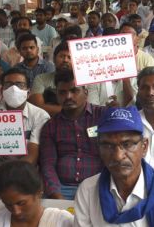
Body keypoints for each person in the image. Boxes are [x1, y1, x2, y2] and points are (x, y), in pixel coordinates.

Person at [39, 70, 105, 200]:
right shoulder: (51, 126)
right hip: (62, 189)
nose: (68, 96)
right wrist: (57, 197)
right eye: (62, 92)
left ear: (85, 93)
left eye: (74, 91)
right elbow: (48, 165)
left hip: (98, 187)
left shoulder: (103, 116)